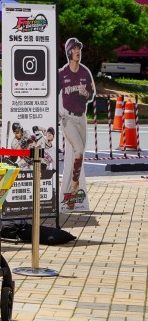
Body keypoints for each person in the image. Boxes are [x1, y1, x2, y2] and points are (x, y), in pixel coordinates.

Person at [59, 38, 95, 210]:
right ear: (68, 52)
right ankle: (73, 188)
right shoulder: (62, 73)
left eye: (79, 49)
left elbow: (92, 93)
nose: (77, 51)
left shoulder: (85, 72)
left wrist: (86, 93)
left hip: (81, 117)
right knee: (78, 150)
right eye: (74, 49)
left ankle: (72, 195)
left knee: (78, 155)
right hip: (67, 118)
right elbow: (52, 95)